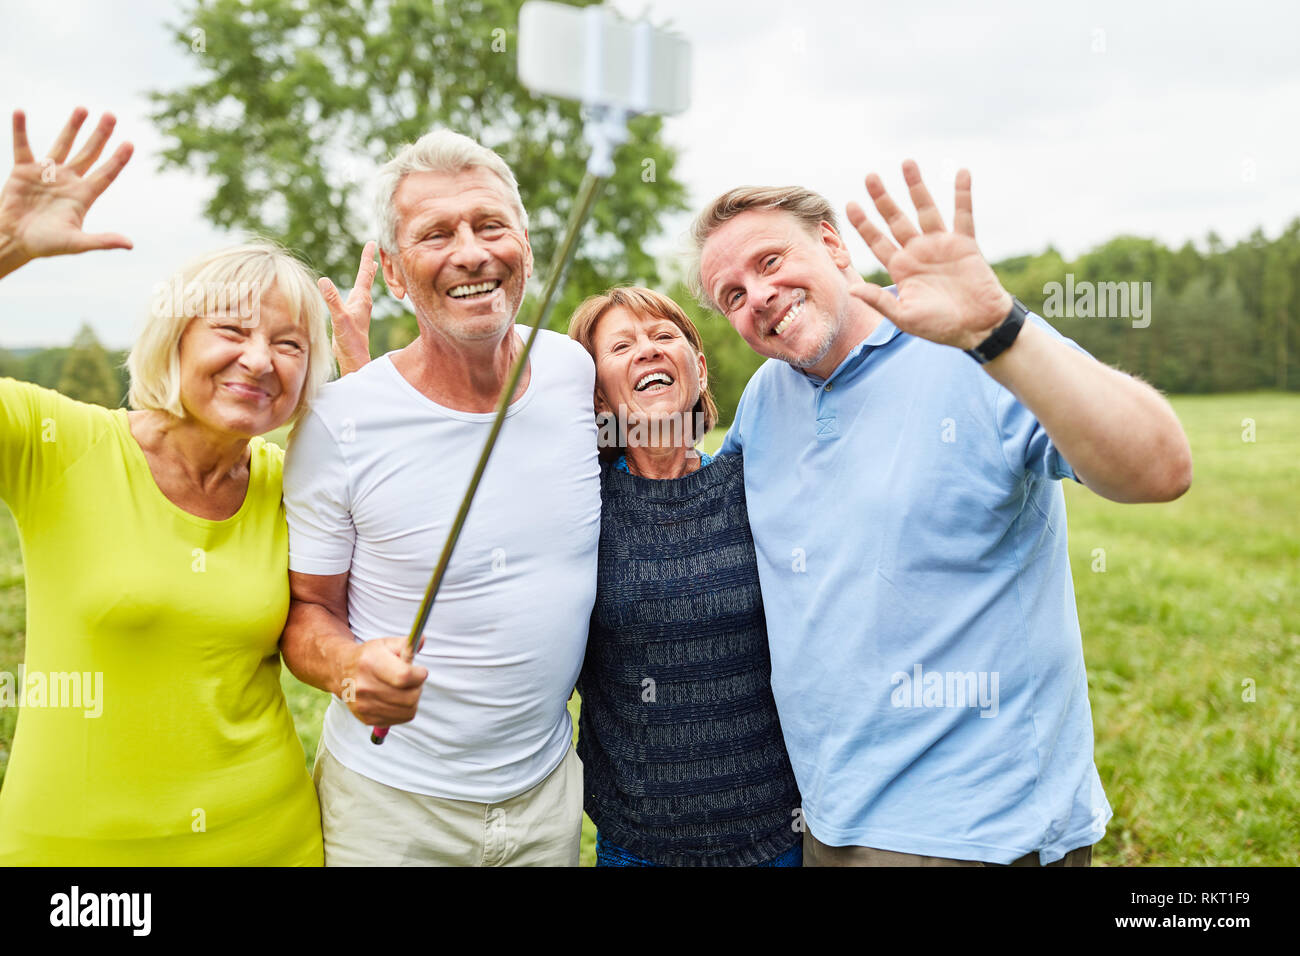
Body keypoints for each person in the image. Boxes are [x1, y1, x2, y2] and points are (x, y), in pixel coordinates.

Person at [690, 163, 1194, 866]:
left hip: (983, 831)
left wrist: (997, 329)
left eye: (771, 262)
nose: (759, 297)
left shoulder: (973, 350)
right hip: (829, 824)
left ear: (834, 246)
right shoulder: (766, 400)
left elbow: (1160, 469)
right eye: (732, 295)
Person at [0, 108, 331, 865]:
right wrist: (8, 246)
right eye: (232, 330)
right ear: (172, 339)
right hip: (76, 864)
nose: (260, 360)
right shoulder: (60, 445)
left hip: (269, 841)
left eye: (289, 344)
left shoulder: (295, 485)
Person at [279, 129, 600, 866]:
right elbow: (309, 612)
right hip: (392, 810)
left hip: (549, 798)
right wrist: (350, 669)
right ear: (394, 271)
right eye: (436, 234)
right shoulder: (336, 422)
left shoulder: (572, 371)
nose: (472, 252)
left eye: (491, 225)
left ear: (525, 244)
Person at [566, 286, 802, 867]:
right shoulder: (576, 505)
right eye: (621, 346)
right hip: (637, 843)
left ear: (697, 369)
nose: (647, 351)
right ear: (598, 395)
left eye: (664, 336)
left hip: (777, 835)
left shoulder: (757, 484)